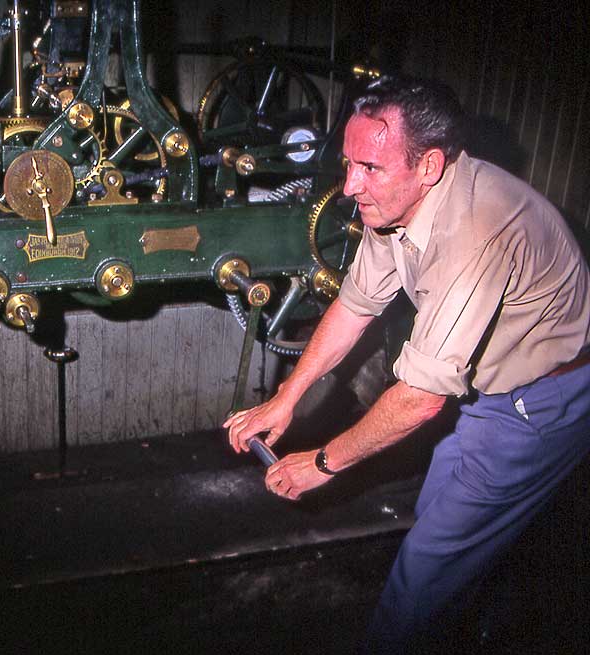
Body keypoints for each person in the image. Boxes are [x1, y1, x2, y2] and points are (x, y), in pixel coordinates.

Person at [223, 76, 590, 651]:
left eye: (369, 167)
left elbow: (419, 400)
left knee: (426, 568)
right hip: (489, 395)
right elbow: (353, 307)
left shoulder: (477, 231)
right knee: (439, 517)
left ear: (429, 166)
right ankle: (485, 624)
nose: (348, 186)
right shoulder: (396, 206)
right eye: (347, 164)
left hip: (541, 405)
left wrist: (320, 464)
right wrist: (285, 399)